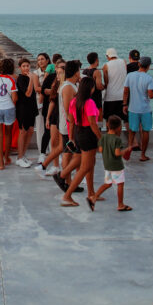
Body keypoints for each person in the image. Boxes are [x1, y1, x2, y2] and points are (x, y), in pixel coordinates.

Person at [61, 77, 100, 208]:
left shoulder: (74, 101)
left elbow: (71, 121)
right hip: (88, 135)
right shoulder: (89, 103)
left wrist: (72, 137)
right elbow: (92, 123)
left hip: (79, 133)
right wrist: (101, 138)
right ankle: (67, 196)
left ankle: (91, 192)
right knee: (85, 167)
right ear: (91, 88)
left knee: (90, 164)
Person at [54, 60, 82, 193]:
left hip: (67, 125)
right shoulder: (68, 87)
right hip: (68, 126)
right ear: (76, 72)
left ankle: (68, 181)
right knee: (69, 154)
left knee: (68, 153)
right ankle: (65, 179)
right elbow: (68, 108)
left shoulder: (69, 85)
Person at [93, 115, 130, 212]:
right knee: (120, 184)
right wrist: (126, 150)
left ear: (108, 125)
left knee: (107, 184)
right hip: (116, 166)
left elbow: (100, 150)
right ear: (119, 127)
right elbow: (117, 153)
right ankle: (120, 204)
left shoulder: (103, 137)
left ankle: (94, 197)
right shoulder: (117, 140)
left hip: (107, 165)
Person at [123, 56, 153, 161]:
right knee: (145, 131)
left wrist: (124, 104)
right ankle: (143, 155)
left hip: (133, 108)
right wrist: (152, 94)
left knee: (132, 130)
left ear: (139, 64)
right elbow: (150, 95)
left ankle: (129, 150)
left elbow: (126, 91)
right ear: (148, 66)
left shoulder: (130, 75)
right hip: (145, 109)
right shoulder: (149, 78)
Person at [0, 58, 18, 170]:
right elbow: (15, 98)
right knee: (8, 134)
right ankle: (7, 158)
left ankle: (1, 163)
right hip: (9, 108)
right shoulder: (11, 80)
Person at [14, 57, 40, 168]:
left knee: (30, 131)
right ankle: (19, 157)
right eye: (24, 66)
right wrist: (30, 80)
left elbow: (36, 90)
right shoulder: (20, 79)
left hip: (31, 107)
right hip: (23, 108)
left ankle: (23, 154)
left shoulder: (32, 76)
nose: (26, 68)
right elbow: (28, 93)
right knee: (23, 131)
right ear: (20, 68)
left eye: (28, 66)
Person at [36, 53, 55, 157]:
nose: (40, 61)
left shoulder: (53, 74)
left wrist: (46, 90)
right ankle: (42, 152)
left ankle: (53, 151)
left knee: (53, 130)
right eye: (38, 60)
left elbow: (42, 89)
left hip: (50, 103)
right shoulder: (36, 73)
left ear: (48, 60)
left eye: (42, 59)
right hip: (40, 103)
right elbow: (37, 88)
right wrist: (47, 90)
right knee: (42, 129)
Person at [102, 48, 127, 123]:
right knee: (123, 120)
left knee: (109, 120)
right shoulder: (124, 62)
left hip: (110, 97)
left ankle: (109, 134)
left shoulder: (105, 66)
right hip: (122, 96)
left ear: (108, 56)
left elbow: (106, 83)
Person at [82, 52, 105, 117]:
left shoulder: (84, 71)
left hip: (86, 97)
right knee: (97, 117)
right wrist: (105, 86)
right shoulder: (97, 72)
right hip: (96, 98)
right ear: (96, 60)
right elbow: (99, 86)